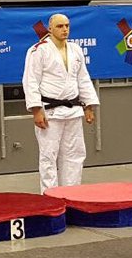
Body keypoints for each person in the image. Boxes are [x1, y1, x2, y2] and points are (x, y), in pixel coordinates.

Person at [22, 13, 99, 193]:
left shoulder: (75, 49)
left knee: (75, 155)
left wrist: (88, 106)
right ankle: (50, 197)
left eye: (67, 26)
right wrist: (36, 110)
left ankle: (71, 194)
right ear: (50, 29)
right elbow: (30, 80)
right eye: (60, 26)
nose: (64, 29)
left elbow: (83, 79)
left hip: (73, 110)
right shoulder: (38, 50)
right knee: (49, 156)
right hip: (50, 112)